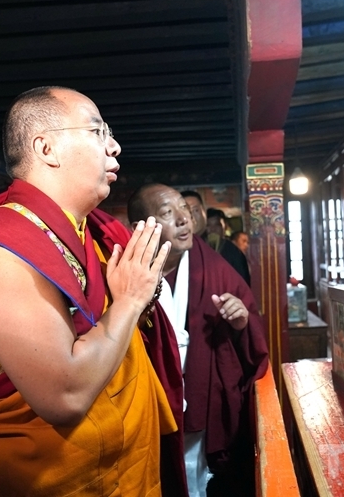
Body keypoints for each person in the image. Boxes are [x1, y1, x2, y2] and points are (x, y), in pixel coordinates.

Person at [0, 86, 183, 496]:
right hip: (44, 479)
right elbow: (64, 396)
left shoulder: (98, 234)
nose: (114, 146)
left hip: (123, 466)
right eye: (97, 131)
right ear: (46, 148)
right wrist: (130, 300)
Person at [127, 183, 269, 497]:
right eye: (168, 212)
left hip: (202, 395)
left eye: (186, 210)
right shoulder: (125, 271)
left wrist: (240, 323)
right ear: (140, 227)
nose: (184, 219)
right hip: (148, 402)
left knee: (196, 478)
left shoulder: (215, 267)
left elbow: (251, 332)